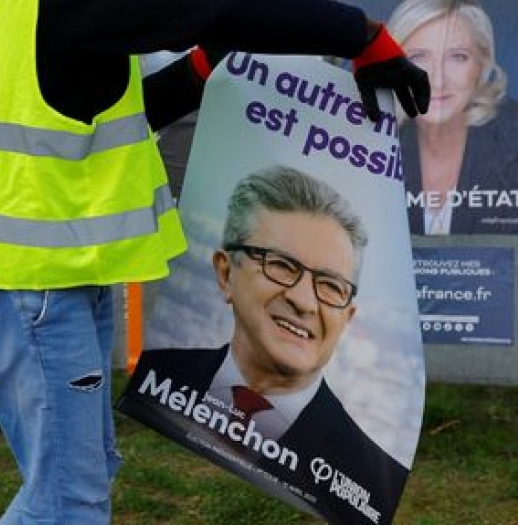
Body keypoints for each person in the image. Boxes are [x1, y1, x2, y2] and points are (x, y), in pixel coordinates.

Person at [0, 0, 429, 524]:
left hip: (39, 280)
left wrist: (206, 66)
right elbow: (214, 1)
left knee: (73, 482)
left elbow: (109, 113)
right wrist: (361, 36)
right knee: (69, 499)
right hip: (33, 289)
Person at [119, 165, 407, 524]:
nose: (303, 301)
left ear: (347, 317)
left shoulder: (367, 471)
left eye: (331, 285)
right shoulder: (161, 378)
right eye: (282, 265)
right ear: (226, 273)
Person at [386, 0, 518, 235]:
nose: (437, 80)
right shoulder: (367, 144)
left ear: (482, 64)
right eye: (417, 58)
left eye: (458, 57)